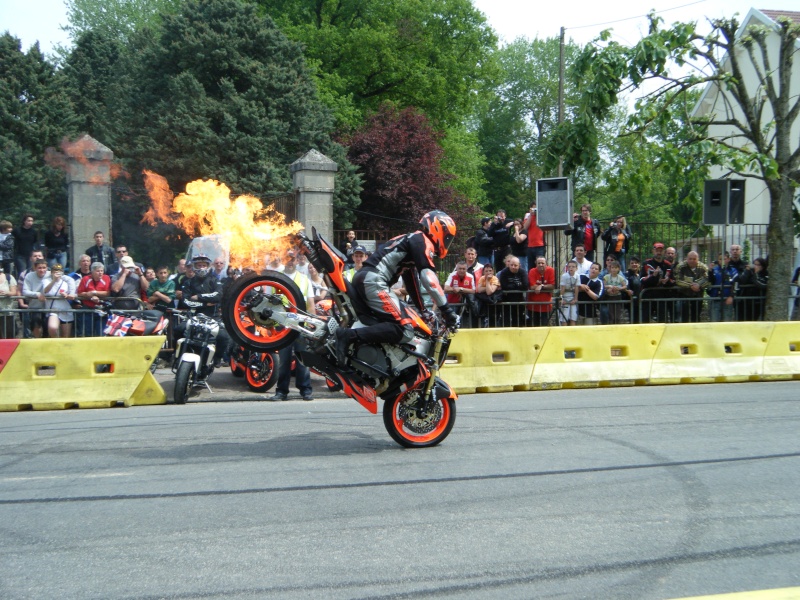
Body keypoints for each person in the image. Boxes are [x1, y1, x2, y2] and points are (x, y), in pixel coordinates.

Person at [335, 211, 458, 365]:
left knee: (393, 323)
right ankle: (348, 336)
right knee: (405, 329)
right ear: (438, 228)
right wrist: (447, 310)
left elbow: (411, 281)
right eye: (447, 237)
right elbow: (429, 279)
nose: (447, 242)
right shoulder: (422, 240)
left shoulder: (412, 241)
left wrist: (423, 310)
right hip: (374, 280)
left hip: (368, 279)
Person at [270, 250, 315, 401]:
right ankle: (282, 391)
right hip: (282, 325)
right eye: (287, 259)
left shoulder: (304, 279)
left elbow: (310, 304)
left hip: (300, 324)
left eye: (293, 259)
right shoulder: (275, 278)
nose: (290, 261)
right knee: (284, 360)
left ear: (297, 261)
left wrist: (311, 323)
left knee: (303, 359)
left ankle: (306, 390)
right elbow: (269, 302)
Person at [641, 242, 674, 323]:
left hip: (662, 296)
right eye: (657, 250)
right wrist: (654, 276)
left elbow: (673, 280)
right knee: (645, 321)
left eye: (661, 251)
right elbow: (642, 280)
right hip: (648, 296)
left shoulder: (668, 265)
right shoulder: (646, 263)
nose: (659, 252)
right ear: (653, 251)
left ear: (663, 252)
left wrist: (667, 281)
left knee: (662, 321)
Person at [76, 262, 111, 337]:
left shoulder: (106, 278)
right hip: (88, 309)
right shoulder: (85, 279)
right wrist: (89, 295)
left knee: (101, 333)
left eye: (102, 271)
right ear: (92, 272)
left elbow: (107, 293)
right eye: (98, 271)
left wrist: (94, 292)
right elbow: (79, 293)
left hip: (101, 309)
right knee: (87, 332)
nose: (100, 273)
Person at [43, 263, 76, 338]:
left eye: (59, 271)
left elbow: (71, 295)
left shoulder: (65, 283)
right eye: (55, 271)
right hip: (53, 310)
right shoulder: (46, 281)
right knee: (52, 328)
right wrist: (54, 280)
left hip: (65, 310)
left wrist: (66, 295)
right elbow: (46, 291)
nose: (57, 273)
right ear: (51, 272)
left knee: (66, 336)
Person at [22, 258, 50, 338]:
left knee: (47, 328)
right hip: (35, 307)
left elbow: (66, 278)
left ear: (47, 268)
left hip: (48, 307)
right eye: (39, 268)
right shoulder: (29, 276)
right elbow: (25, 291)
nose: (42, 270)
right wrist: (37, 294)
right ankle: (37, 341)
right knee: (35, 325)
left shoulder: (51, 274)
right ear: (35, 268)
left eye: (44, 267)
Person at [497, 255, 528, 327]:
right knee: (506, 321)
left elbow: (525, 286)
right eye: (511, 265)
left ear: (519, 265)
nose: (513, 267)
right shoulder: (504, 272)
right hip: (506, 300)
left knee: (518, 320)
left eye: (515, 265)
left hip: (519, 300)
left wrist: (511, 285)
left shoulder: (523, 272)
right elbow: (504, 286)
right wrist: (518, 285)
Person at [445, 260, 477, 327]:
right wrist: (454, 289)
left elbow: (474, 290)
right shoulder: (452, 275)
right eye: (460, 268)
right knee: (451, 323)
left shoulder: (470, 276)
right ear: (456, 268)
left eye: (463, 269)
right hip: (452, 303)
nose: (461, 270)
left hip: (465, 305)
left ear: (466, 269)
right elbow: (446, 288)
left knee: (463, 324)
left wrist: (461, 289)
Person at [707, 253, 736, 322]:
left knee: (727, 321)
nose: (722, 261)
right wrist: (710, 271)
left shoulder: (733, 270)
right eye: (720, 259)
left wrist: (731, 296)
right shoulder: (714, 270)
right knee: (714, 321)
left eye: (724, 259)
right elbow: (710, 282)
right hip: (716, 299)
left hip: (727, 300)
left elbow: (736, 284)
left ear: (728, 259)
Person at [527, 256, 555, 327]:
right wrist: (545, 287)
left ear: (546, 264)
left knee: (545, 326)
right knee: (533, 327)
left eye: (542, 263)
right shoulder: (532, 271)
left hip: (546, 306)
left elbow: (552, 285)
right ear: (536, 264)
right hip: (533, 305)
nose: (540, 265)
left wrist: (541, 286)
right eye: (539, 263)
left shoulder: (551, 270)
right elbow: (532, 287)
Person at [602, 259, 628, 324]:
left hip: (617, 297)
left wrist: (619, 288)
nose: (614, 269)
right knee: (611, 315)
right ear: (610, 268)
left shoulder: (620, 277)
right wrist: (609, 287)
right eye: (612, 267)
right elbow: (603, 286)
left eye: (615, 268)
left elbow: (625, 286)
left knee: (617, 316)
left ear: (618, 269)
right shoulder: (606, 277)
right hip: (609, 297)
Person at [522, 200, 545, 267]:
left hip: (540, 245)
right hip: (530, 245)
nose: (535, 211)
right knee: (531, 266)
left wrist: (538, 215)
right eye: (534, 209)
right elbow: (525, 227)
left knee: (540, 265)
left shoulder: (541, 216)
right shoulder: (528, 216)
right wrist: (531, 215)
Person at [558, 260, 579, 326]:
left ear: (576, 268)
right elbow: (562, 288)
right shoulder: (564, 276)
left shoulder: (577, 276)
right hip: (565, 296)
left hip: (572, 296)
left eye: (573, 267)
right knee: (564, 316)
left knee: (573, 317)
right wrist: (561, 298)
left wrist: (575, 299)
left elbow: (577, 287)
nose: (571, 268)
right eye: (569, 267)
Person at [0, 265, 17, 338]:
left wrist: (7, 293)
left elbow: (14, 292)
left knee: (10, 336)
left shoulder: (9, 277)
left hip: (8, 312)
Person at [624, 256, 643, 324]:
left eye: (636, 263)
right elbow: (625, 285)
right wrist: (627, 290)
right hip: (632, 301)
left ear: (639, 264)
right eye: (632, 263)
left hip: (642, 301)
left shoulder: (642, 274)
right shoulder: (626, 274)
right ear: (629, 265)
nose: (634, 264)